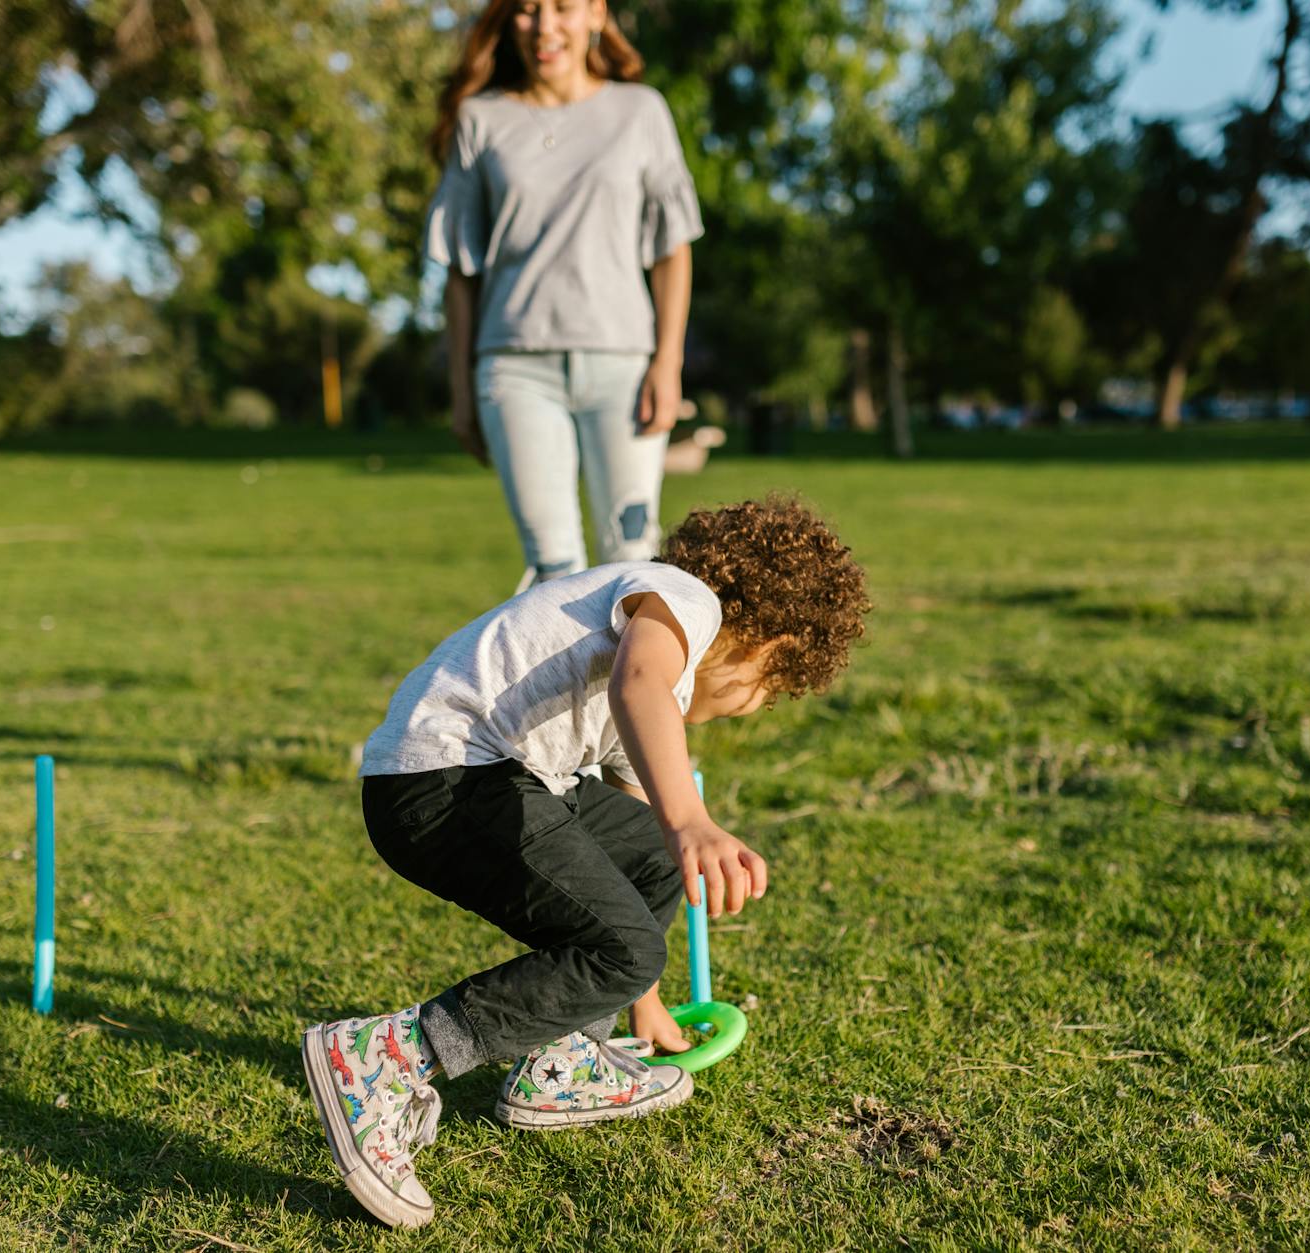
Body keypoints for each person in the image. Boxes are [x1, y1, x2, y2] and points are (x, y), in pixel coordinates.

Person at [302, 498, 871, 1228]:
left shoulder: (656, 653)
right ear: (771, 641)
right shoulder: (685, 600)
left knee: (653, 872)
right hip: (446, 778)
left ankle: (562, 1062)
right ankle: (384, 1057)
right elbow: (640, 687)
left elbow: (637, 835)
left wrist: (643, 995)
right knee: (626, 935)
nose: (756, 706)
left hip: (488, 778)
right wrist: (690, 820)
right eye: (772, 688)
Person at [426, 0, 703, 591]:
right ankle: (564, 689)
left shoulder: (640, 111)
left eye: (562, 7)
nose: (544, 26)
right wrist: (460, 392)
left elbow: (672, 249)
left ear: (596, 13)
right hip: (515, 370)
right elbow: (459, 273)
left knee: (632, 557)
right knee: (552, 568)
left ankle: (638, 687)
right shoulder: (481, 120)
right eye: (527, 10)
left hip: (623, 367)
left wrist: (667, 363)